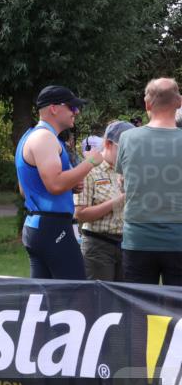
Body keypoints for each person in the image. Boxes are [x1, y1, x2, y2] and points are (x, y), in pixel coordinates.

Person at [15, 85, 104, 280]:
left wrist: (70, 187)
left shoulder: (31, 136)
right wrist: (90, 162)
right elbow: (54, 185)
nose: (77, 111)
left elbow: (26, 189)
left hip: (38, 226)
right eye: (72, 107)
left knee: (45, 299)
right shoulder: (44, 138)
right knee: (75, 294)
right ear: (54, 108)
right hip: (52, 227)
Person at [115, 77, 182, 286]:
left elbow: (122, 181)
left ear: (147, 104)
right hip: (178, 240)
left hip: (138, 239)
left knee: (138, 310)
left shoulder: (127, 138)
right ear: (179, 102)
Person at [73, 121, 133, 281]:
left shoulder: (131, 170)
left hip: (128, 245)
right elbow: (80, 214)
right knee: (99, 299)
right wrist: (120, 200)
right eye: (124, 147)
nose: (129, 153)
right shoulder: (90, 170)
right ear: (108, 144)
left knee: (125, 299)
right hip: (98, 246)